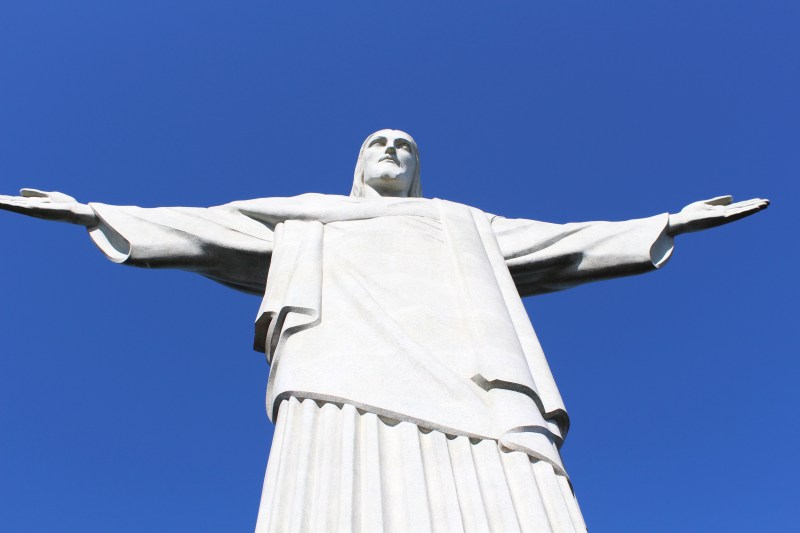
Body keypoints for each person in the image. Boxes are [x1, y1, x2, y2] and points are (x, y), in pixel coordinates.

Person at [0, 130, 768, 532]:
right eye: (379, 142)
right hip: (338, 373)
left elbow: (562, 242)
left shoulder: (461, 224)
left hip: (477, 387)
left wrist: (663, 223)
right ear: (357, 163)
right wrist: (92, 211)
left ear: (420, 169)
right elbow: (205, 228)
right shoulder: (304, 213)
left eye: (406, 145)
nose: (393, 151)